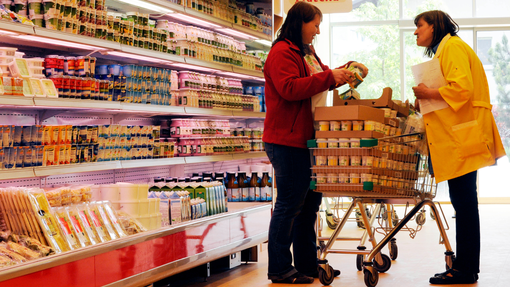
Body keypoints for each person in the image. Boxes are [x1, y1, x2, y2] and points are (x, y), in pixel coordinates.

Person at [263, 1, 368, 284]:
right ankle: (280, 268)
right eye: (316, 24)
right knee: (289, 204)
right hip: (286, 140)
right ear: (300, 23)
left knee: (309, 204)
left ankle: (307, 265)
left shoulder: (306, 51)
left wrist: (346, 71)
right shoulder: (281, 52)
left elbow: (321, 78)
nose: (318, 31)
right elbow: (290, 88)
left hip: (308, 140)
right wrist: (327, 76)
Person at [412, 10, 506, 284]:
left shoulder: (451, 46)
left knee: (464, 204)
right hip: (459, 135)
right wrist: (426, 99)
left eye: (419, 26)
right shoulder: (448, 49)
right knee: (463, 203)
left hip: (461, 136)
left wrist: (428, 93)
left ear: (434, 26)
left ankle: (464, 270)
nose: (416, 32)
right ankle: (464, 267)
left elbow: (461, 89)